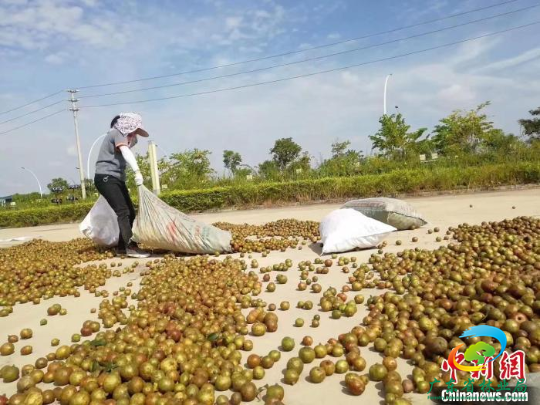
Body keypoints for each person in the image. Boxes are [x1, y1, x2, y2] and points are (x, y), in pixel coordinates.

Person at [94, 112, 150, 258]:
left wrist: (132, 136)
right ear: (126, 125)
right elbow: (125, 151)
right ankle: (129, 246)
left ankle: (121, 247)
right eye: (133, 130)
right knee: (123, 211)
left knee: (130, 212)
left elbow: (127, 146)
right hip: (106, 177)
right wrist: (137, 171)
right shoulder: (116, 133)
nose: (134, 134)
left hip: (116, 178)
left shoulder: (124, 136)